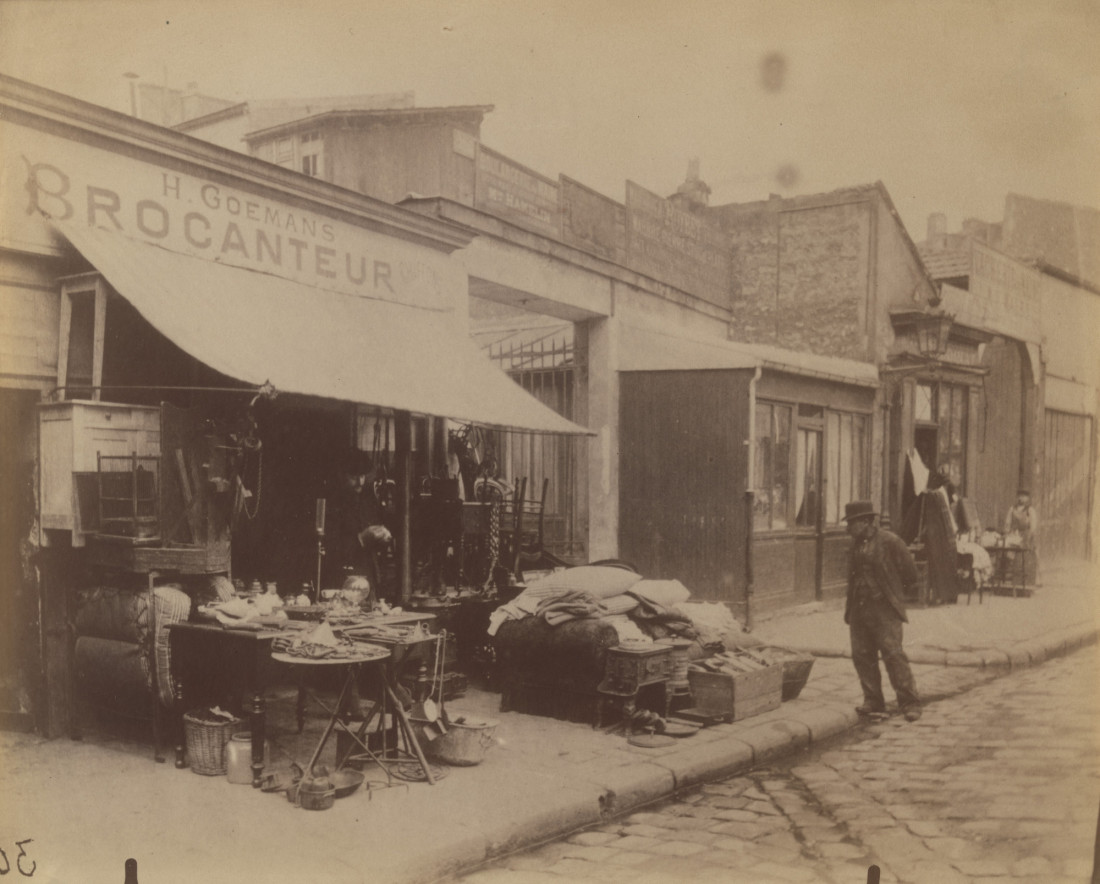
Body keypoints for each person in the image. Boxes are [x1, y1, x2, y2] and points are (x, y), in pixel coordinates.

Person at [842, 500, 923, 722]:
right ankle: (873, 700)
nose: (848, 528)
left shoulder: (891, 542)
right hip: (859, 607)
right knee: (862, 655)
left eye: (852, 523)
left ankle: (909, 702)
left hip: (884, 609)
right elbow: (852, 577)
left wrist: (893, 595)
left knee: (893, 654)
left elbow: (910, 575)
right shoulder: (855, 544)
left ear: (867, 522)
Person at [325, 450, 393, 601]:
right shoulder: (330, 505)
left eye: (362, 476)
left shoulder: (366, 501)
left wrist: (383, 537)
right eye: (354, 476)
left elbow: (374, 539)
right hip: (341, 582)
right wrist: (361, 539)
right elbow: (329, 548)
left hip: (368, 581)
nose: (360, 481)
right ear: (340, 474)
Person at [1001, 488, 1039, 584]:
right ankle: (1008, 575)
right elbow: (1007, 523)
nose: (1021, 498)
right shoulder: (1012, 509)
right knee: (1006, 547)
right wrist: (1007, 532)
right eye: (1020, 496)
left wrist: (1029, 536)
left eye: (1024, 497)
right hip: (1014, 534)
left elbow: (1033, 526)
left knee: (1028, 553)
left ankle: (1028, 578)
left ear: (1027, 498)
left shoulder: (1030, 510)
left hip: (1025, 535)